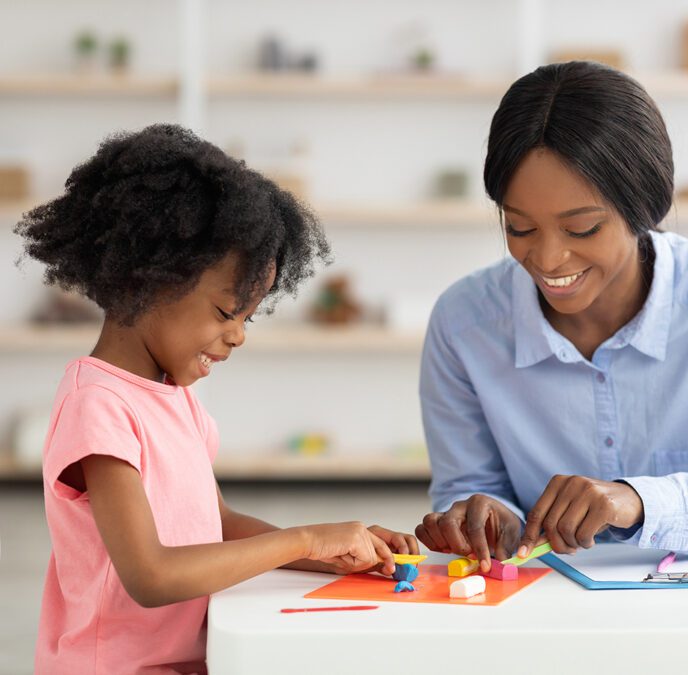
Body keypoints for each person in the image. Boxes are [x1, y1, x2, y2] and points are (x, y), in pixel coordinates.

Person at [17, 124, 418, 674]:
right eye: (227, 313)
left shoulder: (173, 397)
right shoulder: (98, 407)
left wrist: (330, 553)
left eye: (249, 318)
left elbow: (217, 524)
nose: (239, 335)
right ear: (147, 281)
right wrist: (307, 536)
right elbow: (151, 575)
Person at [415, 61, 688, 572]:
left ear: (644, 207)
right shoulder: (463, 323)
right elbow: (471, 489)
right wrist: (486, 519)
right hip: (540, 610)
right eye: (519, 227)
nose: (548, 258)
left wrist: (639, 500)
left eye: (581, 229)